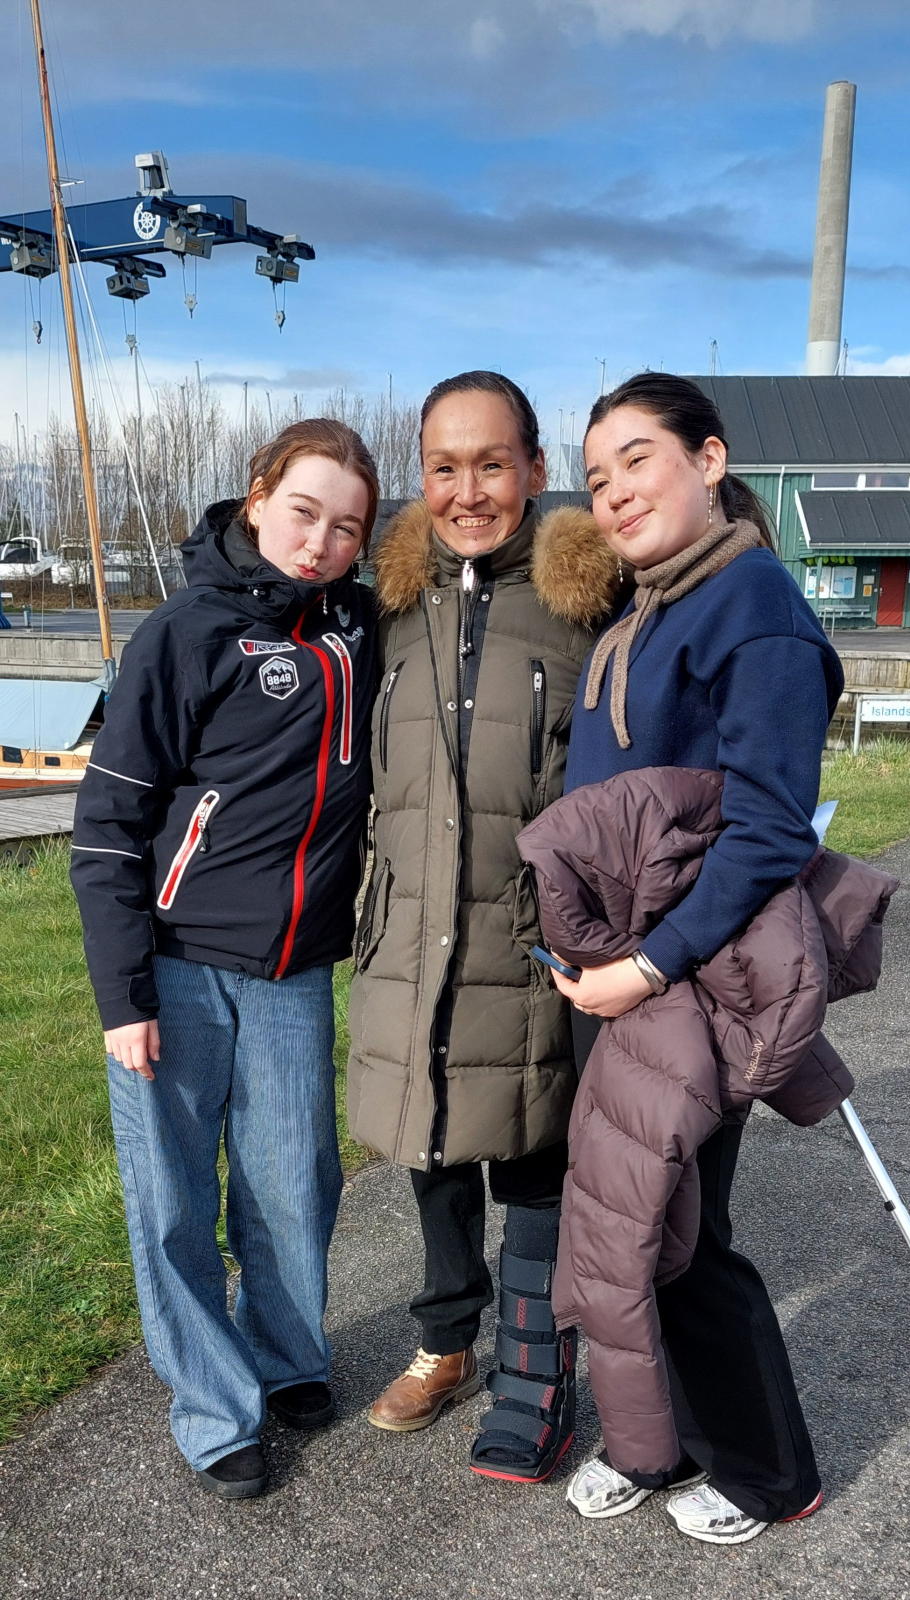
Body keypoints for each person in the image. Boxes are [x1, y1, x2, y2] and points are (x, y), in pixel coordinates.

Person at [551, 373, 845, 1542]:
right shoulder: (643, 607)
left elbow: (768, 825)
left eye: (638, 459)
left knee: (683, 1236)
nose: (615, 491)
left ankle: (771, 1471)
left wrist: (652, 965)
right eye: (597, 477)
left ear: (709, 460)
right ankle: (658, 1440)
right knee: (631, 1222)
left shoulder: (751, 601)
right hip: (619, 978)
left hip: (688, 977)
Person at [70, 418, 379, 1499]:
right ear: (257, 497)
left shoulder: (357, 628)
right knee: (171, 1203)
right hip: (174, 969)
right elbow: (107, 828)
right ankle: (213, 1409)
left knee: (295, 1183)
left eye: (347, 528)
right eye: (303, 512)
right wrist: (124, 998)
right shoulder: (184, 632)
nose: (320, 542)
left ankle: (288, 1358)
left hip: (293, 971)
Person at [346, 371, 618, 1481]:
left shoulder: (591, 602)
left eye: (492, 464)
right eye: (444, 467)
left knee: (537, 1152)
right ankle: (445, 1341)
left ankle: (532, 1370)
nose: (468, 492)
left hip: (531, 936)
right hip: (411, 932)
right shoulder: (385, 607)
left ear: (536, 470)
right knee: (433, 1144)